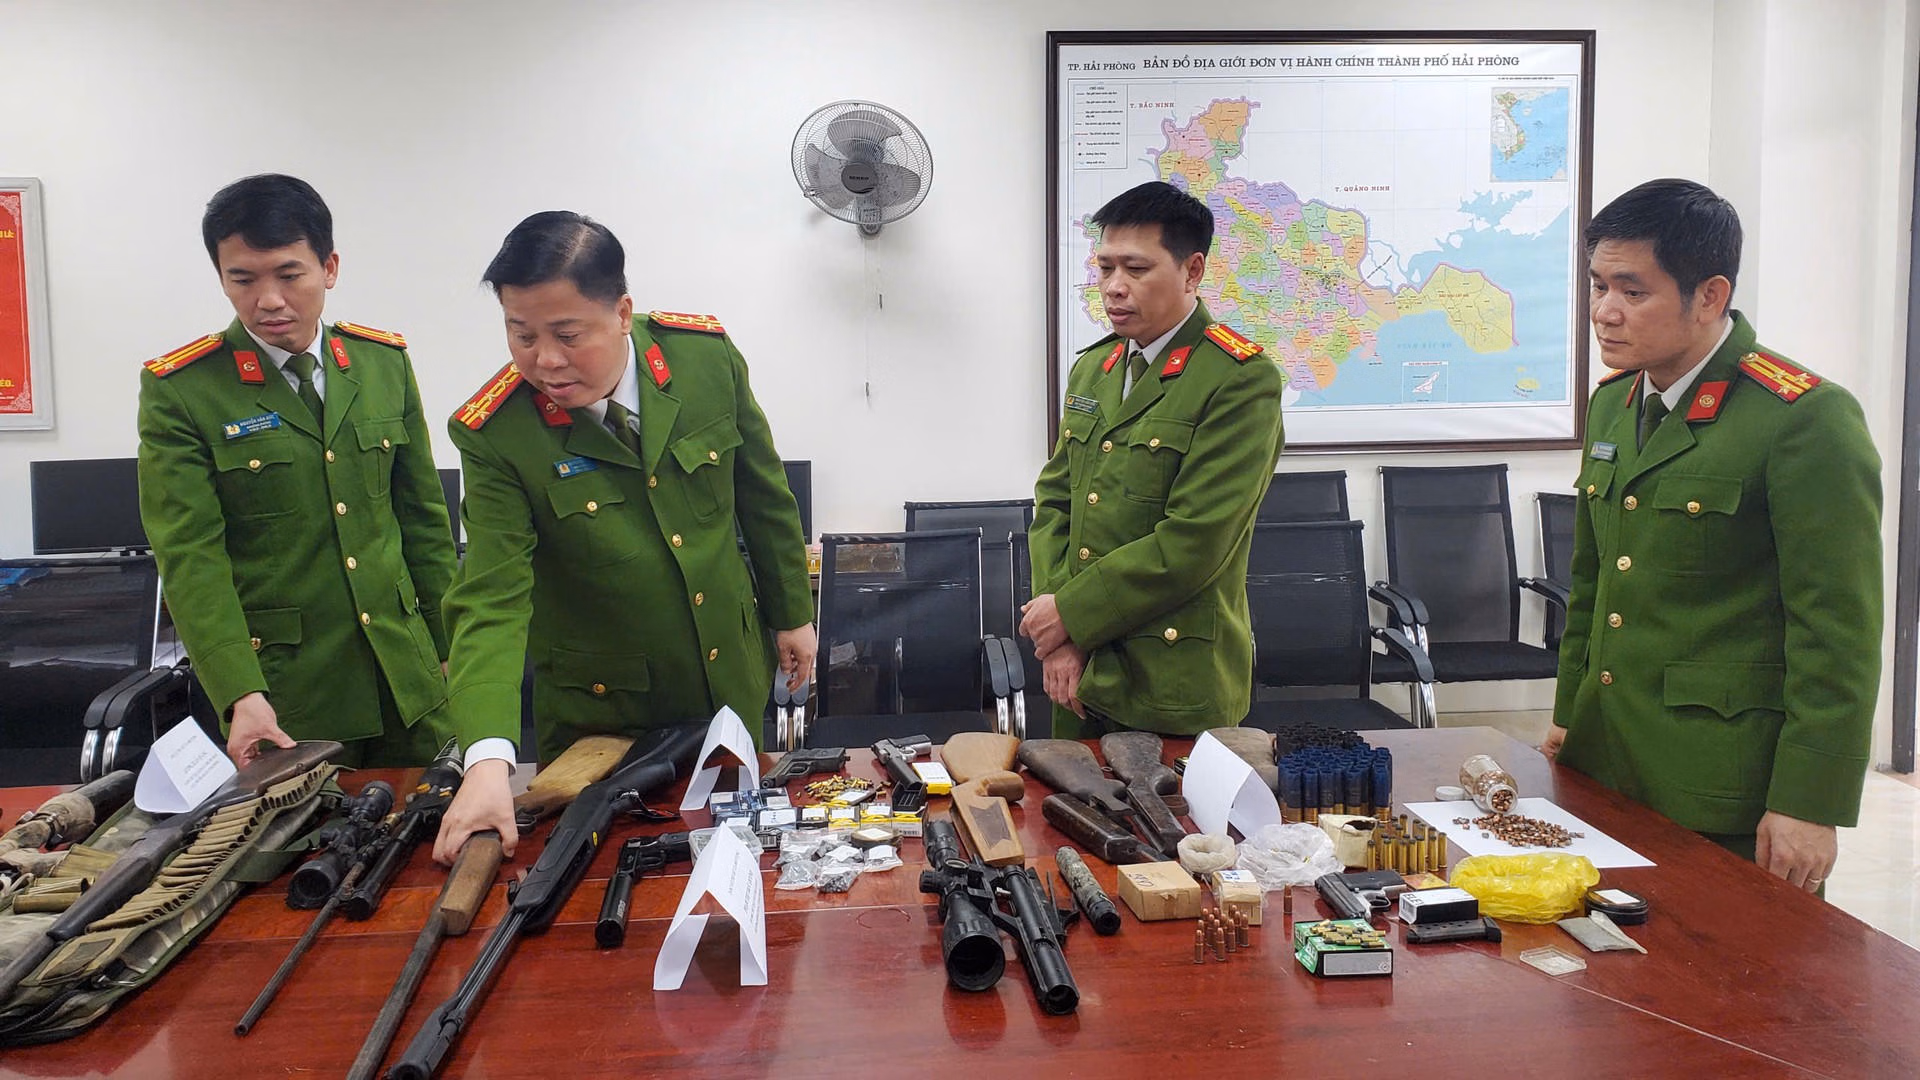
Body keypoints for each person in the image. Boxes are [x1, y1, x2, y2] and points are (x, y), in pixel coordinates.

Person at [432, 211, 814, 862]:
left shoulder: (703, 359)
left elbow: (762, 490)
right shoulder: (498, 432)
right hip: (602, 722)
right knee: (598, 886)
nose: (545, 360)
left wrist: (792, 613)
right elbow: (491, 598)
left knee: (740, 864)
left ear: (622, 313)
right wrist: (488, 760)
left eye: (567, 334)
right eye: (520, 335)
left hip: (728, 679)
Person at [1543, 178, 1882, 894]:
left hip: (1724, 784)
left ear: (1709, 295)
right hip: (1605, 761)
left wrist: (1809, 802)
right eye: (1599, 286)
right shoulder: (1614, 404)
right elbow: (1594, 582)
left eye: (1633, 291)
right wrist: (1571, 715)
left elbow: (1837, 632)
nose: (1604, 311)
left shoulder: (1801, 418)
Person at [137, 174, 456, 767]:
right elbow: (190, 557)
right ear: (221, 277)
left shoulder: (382, 363)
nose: (269, 300)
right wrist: (239, 691)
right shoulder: (184, 390)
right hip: (286, 699)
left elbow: (423, 523)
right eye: (243, 279)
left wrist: (450, 648)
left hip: (410, 681)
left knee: (435, 819)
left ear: (328, 268)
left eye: (289, 275)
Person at [1021, 181, 1285, 738]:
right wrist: (1058, 628)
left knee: (1177, 802)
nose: (1113, 287)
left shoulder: (1238, 380)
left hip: (1172, 680)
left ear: (1192, 271)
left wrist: (1070, 615)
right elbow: (1056, 502)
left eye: (1136, 269)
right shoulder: (1095, 368)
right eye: (1105, 268)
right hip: (1077, 673)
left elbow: (1194, 541)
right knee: (1067, 795)